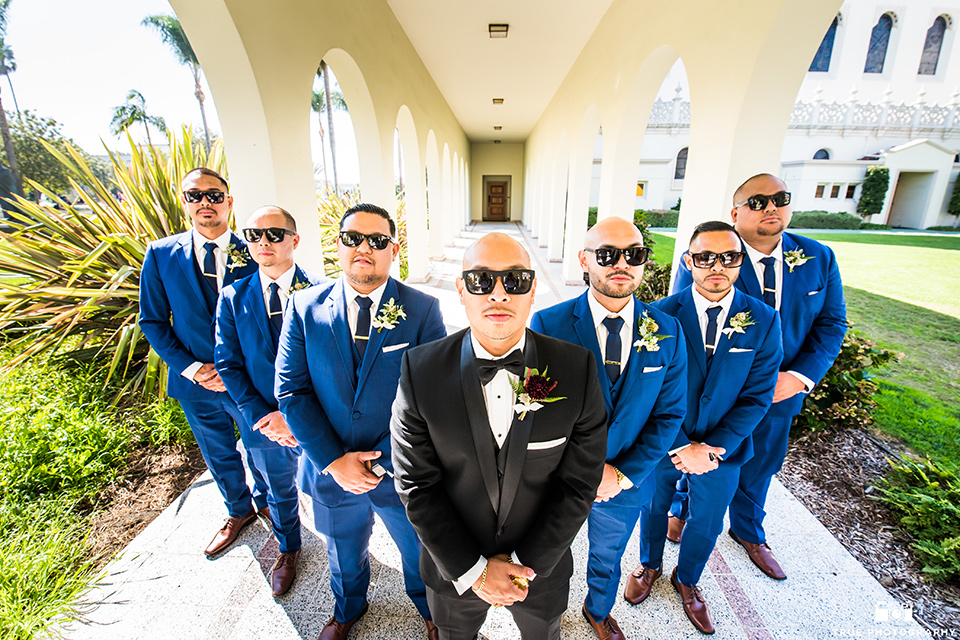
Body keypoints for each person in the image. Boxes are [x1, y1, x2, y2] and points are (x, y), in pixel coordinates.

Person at [391, 232, 608, 640]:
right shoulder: (419, 371)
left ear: (532, 290)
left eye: (515, 281)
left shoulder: (576, 369)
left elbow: (579, 484)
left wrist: (528, 565)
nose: (498, 294)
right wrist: (474, 572)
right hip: (454, 569)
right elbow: (417, 485)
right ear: (460, 289)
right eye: (480, 280)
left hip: (540, 569)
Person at [275, 203, 445, 640]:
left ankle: (430, 609)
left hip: (403, 472)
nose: (363, 248)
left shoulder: (423, 309)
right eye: (352, 239)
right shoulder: (303, 306)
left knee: (418, 550)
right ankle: (349, 606)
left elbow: (434, 396)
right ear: (338, 246)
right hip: (330, 470)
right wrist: (333, 461)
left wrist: (384, 460)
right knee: (342, 550)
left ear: (393, 248)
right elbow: (292, 390)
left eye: (376, 240)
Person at [674, 174, 846, 580]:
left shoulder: (819, 257)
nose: (771, 207)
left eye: (780, 198)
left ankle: (749, 531)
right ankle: (685, 510)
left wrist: (801, 376)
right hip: (716, 394)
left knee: (763, 461)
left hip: (781, 391)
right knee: (701, 452)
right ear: (736, 213)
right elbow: (686, 321)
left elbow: (831, 322)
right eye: (758, 201)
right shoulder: (712, 255)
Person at [529, 216, 686, 640]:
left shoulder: (667, 330)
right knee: (547, 554)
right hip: (561, 479)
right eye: (607, 254)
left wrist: (621, 473)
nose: (622, 263)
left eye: (633, 254)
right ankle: (543, 620)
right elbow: (536, 411)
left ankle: (598, 610)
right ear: (585, 260)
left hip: (628, 481)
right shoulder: (549, 325)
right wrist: (582, 470)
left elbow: (670, 414)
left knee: (607, 555)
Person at [635, 221, 782, 634]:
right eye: (705, 257)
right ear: (689, 261)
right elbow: (648, 388)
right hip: (665, 442)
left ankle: (689, 580)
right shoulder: (658, 315)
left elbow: (757, 396)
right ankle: (648, 566)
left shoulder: (764, 320)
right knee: (653, 506)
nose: (717, 265)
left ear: (741, 261)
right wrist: (681, 445)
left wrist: (712, 447)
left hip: (726, 448)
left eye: (729, 257)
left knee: (709, 519)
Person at [139, 167, 265, 556]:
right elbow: (153, 320)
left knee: (263, 449)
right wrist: (193, 369)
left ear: (229, 201)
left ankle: (276, 508)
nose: (204, 202)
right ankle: (238, 511)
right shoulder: (160, 255)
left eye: (213, 194)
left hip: (248, 380)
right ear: (185, 203)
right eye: (195, 195)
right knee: (217, 452)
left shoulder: (258, 250)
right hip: (195, 382)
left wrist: (236, 371)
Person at [214, 205, 327, 596]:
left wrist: (298, 417)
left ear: (294, 241)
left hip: (318, 417)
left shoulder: (323, 292)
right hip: (263, 420)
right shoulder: (232, 296)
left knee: (331, 488)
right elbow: (228, 363)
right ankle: (288, 548)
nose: (264, 242)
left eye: (275, 234)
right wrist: (263, 415)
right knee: (279, 490)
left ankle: (349, 555)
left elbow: (334, 359)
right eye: (255, 235)